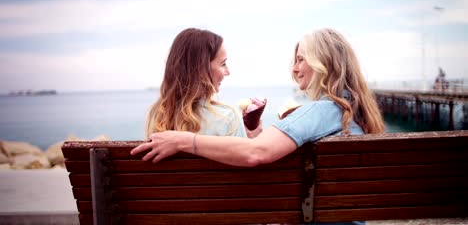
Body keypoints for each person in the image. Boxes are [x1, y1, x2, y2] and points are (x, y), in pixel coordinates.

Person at [132, 28, 384, 224]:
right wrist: (253, 134)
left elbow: (255, 153)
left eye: (300, 59)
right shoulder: (355, 113)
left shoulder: (318, 112)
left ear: (323, 63)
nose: (294, 68)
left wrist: (183, 140)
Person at [144, 28, 247, 140]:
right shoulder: (228, 118)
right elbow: (247, 155)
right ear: (202, 69)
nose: (228, 72)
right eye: (223, 64)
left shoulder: (157, 115)